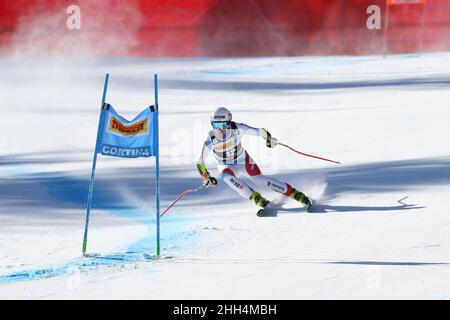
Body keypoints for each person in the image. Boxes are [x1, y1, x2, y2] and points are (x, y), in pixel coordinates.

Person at [197, 107, 312, 216]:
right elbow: (200, 162)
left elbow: (260, 131)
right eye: (216, 125)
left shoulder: (237, 128)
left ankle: (294, 193)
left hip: (243, 161)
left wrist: (269, 139)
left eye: (224, 125)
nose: (220, 129)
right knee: (226, 177)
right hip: (225, 165)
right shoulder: (210, 139)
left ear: (229, 121)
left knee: (260, 180)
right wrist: (206, 177)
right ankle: (257, 198)